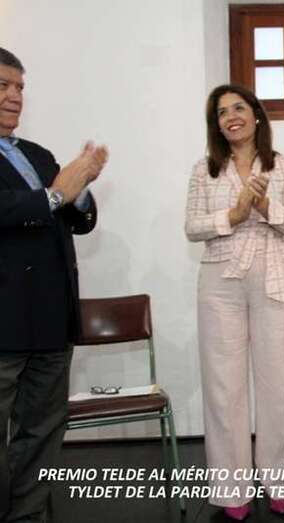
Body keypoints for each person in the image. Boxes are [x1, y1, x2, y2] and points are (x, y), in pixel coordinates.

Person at [185, 84, 284, 520]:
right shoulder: (205, 169)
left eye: (238, 108)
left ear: (256, 115)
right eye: (221, 113)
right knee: (223, 387)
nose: (231, 117)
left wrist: (265, 206)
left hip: (273, 275)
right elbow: (192, 227)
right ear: (216, 125)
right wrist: (233, 215)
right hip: (220, 280)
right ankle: (231, 488)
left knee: (276, 383)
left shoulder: (283, 166)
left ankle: (275, 478)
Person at [0, 47, 107, 522]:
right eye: (3, 86)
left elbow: (76, 220)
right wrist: (58, 192)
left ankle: (27, 516)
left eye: (20, 87)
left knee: (42, 433)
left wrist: (80, 189)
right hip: (3, 324)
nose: (14, 96)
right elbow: (16, 209)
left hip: (49, 321)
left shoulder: (38, 155)